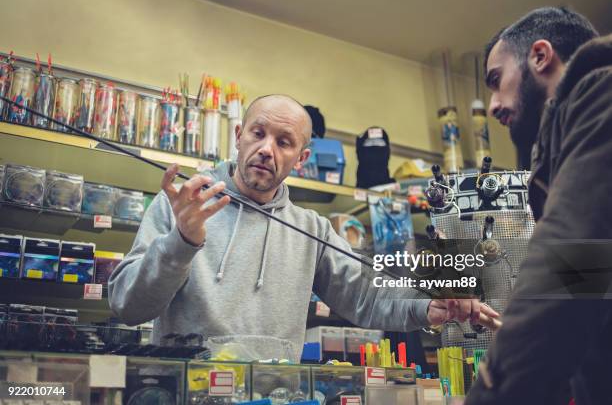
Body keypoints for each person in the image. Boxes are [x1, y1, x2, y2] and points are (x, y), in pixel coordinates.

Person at [109, 94, 498, 362]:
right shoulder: (185, 205)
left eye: (284, 141)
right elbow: (128, 306)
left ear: (301, 158)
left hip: (273, 393)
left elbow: (365, 296)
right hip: (187, 393)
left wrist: (430, 305)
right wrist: (180, 242)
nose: (266, 149)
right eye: (257, 134)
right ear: (238, 136)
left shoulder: (310, 228)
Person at [465, 7, 612, 405]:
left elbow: (574, 261)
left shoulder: (601, 92)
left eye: (497, 81)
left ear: (540, 56)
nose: (494, 105)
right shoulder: (563, 145)